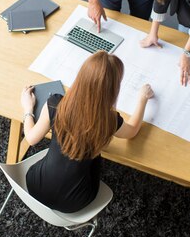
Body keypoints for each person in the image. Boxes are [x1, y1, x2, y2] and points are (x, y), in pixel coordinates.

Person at [19, 51, 154, 213]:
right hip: (75, 202)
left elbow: (31, 138)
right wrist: (142, 99)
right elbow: (132, 131)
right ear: (113, 89)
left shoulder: (56, 104)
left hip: (35, 185)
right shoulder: (109, 120)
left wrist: (28, 108)